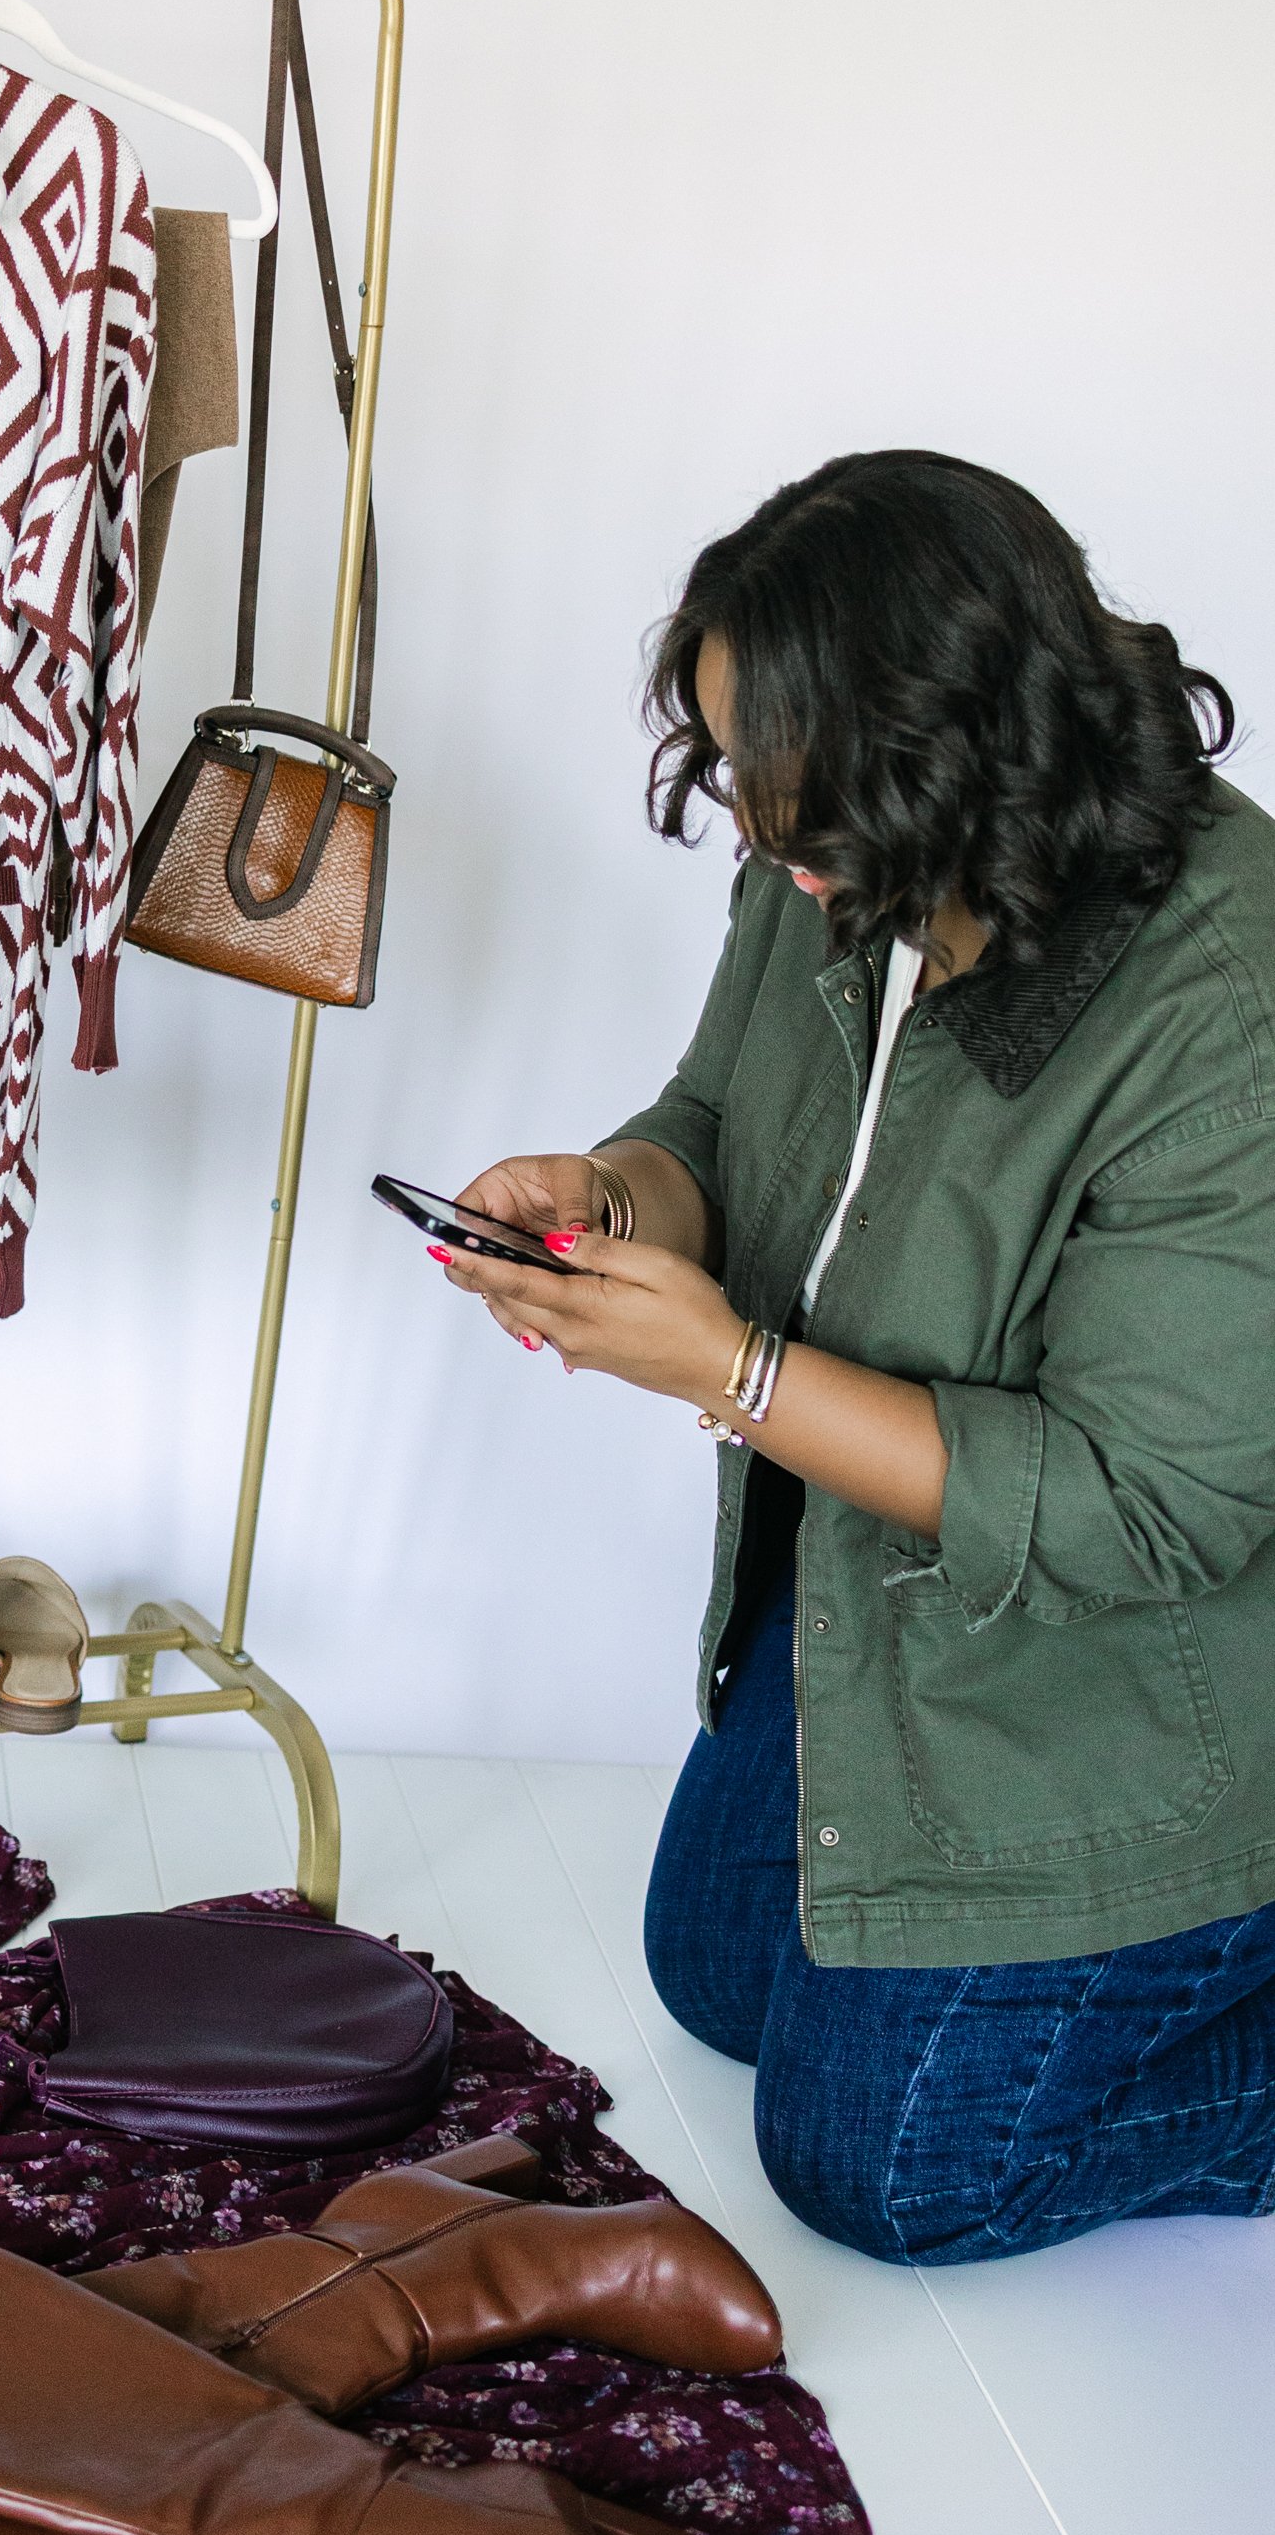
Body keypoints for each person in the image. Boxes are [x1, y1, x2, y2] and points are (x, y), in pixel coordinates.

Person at [441, 449, 1275, 2264]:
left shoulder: (1224, 1006)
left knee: (887, 2171)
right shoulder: (832, 860)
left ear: (964, 752)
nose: (752, 831)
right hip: (870, 1594)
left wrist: (732, 1375)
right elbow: (713, 1126)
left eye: (792, 791)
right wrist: (609, 1195)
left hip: (1130, 1674)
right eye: (738, 767)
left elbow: (1151, 1510)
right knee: (718, 1977)